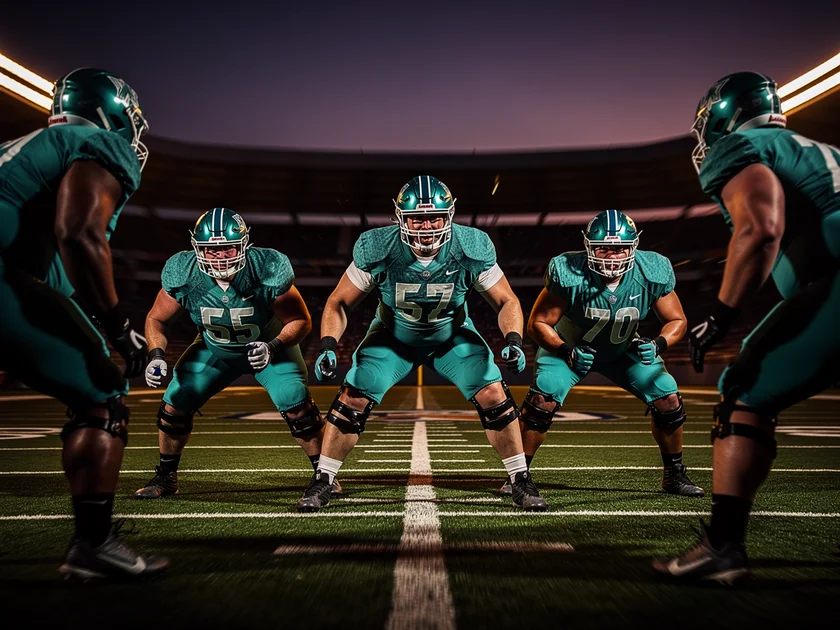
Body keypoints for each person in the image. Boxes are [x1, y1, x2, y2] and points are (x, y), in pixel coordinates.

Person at [654, 72, 840, 583]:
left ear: (722, 117)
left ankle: (723, 547)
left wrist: (722, 315)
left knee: (743, 389)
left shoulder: (740, 146)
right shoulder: (824, 152)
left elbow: (759, 229)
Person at [0, 68, 167, 579]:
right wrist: (119, 327)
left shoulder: (16, 150)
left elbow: (46, 261)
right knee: (103, 392)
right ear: (113, 112)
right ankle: (94, 545)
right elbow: (79, 234)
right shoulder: (97, 142)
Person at [300, 175, 542, 512]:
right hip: (393, 337)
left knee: (493, 392)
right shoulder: (378, 247)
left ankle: (520, 479)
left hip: (451, 336)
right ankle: (324, 479)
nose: (427, 226)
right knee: (353, 394)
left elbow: (507, 301)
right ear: (401, 217)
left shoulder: (470, 246)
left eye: (435, 217)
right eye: (418, 218)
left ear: (449, 216)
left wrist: (513, 338)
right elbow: (339, 302)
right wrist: (328, 343)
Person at [137, 208, 340, 500]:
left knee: (297, 406)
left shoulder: (266, 268)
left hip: (269, 348)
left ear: (244, 245)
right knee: (174, 404)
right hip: (214, 349)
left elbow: (301, 320)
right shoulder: (184, 272)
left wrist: (272, 347)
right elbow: (157, 318)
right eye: (211, 249)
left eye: (228, 248)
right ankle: (166, 477)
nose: (220, 256)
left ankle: (326, 477)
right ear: (197, 248)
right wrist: (156, 354)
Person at [503, 209, 702, 498]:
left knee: (668, 399)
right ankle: (518, 476)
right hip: (569, 350)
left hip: (623, 350)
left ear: (633, 248)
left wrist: (659, 344)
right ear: (589, 247)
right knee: (541, 400)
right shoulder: (569, 271)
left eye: (620, 249)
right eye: (603, 249)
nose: (612, 256)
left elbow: (677, 319)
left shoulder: (651, 270)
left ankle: (674, 473)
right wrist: (566, 350)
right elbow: (538, 323)